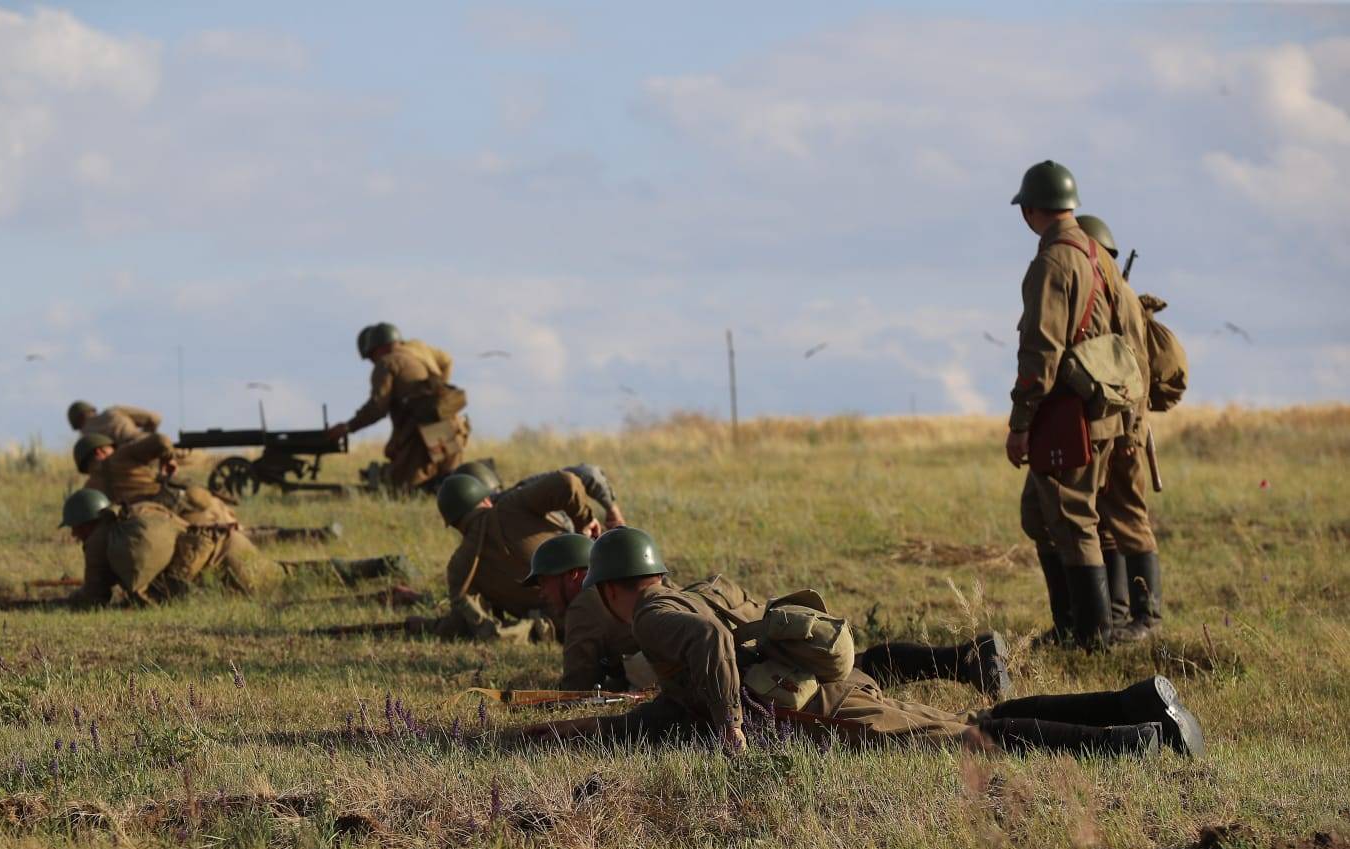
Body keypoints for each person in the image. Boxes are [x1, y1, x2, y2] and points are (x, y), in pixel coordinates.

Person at [510, 528, 1203, 758]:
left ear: (609, 587)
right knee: (975, 722)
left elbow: (708, 648)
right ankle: (1132, 704)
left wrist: (732, 728)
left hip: (826, 709)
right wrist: (558, 734)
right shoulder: (692, 593)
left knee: (972, 741)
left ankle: (1136, 743)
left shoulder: (653, 617)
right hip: (832, 686)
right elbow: (670, 705)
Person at [524, 533, 1012, 697]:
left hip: (724, 663)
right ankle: (963, 658)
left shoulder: (587, 604)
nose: (542, 594)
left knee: (843, 684)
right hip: (735, 627)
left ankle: (969, 671)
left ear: (575, 576)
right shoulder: (632, 583)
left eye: (544, 582)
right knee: (855, 668)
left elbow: (574, 691)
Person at [1006, 161, 1143, 650]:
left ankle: (1089, 635)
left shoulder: (1053, 263)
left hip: (1069, 415)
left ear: (1030, 210)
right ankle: (1074, 626)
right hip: (1104, 409)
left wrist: (1020, 422)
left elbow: (1040, 352)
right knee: (1041, 513)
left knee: (1072, 519)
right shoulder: (1098, 254)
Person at [59, 489, 406, 608]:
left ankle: (384, 572)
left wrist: (64, 602)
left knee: (292, 587)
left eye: (74, 528)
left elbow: (93, 597)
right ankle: (382, 566)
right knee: (292, 573)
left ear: (85, 522)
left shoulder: (98, 542)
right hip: (225, 544)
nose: (74, 535)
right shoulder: (136, 512)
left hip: (224, 571)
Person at [1077, 214, 1165, 643]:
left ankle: (1147, 617)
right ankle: (1115, 613)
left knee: (1129, 517)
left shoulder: (1121, 297)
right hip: (1110, 425)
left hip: (1125, 428)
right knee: (1106, 520)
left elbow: (1134, 368)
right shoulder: (1108, 291)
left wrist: (1129, 431)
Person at [73, 432, 340, 544]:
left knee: (240, 537)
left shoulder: (90, 488)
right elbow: (161, 440)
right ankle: (317, 535)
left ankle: (315, 535)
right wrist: (168, 459)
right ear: (101, 450)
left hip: (165, 522)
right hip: (188, 505)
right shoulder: (122, 456)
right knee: (243, 535)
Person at [426, 471, 597, 640]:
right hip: (600, 593)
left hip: (565, 627)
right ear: (486, 500)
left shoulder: (459, 567)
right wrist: (584, 521)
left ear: (455, 525)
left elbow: (462, 623)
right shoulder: (511, 506)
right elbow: (567, 483)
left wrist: (423, 624)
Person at [328, 322, 470, 492]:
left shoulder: (387, 363)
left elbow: (377, 408)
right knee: (451, 482)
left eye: (371, 356)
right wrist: (437, 392)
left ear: (380, 348)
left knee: (404, 489)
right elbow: (446, 360)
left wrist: (348, 427)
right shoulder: (418, 352)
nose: (373, 362)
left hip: (425, 434)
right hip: (450, 426)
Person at [453, 460, 626, 531]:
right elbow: (588, 474)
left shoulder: (520, 496)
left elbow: (586, 475)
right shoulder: (523, 495)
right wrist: (612, 510)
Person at [66, 401, 162, 445]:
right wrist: (146, 437)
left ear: (78, 422)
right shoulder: (114, 412)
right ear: (92, 410)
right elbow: (154, 418)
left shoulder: (85, 438)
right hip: (152, 445)